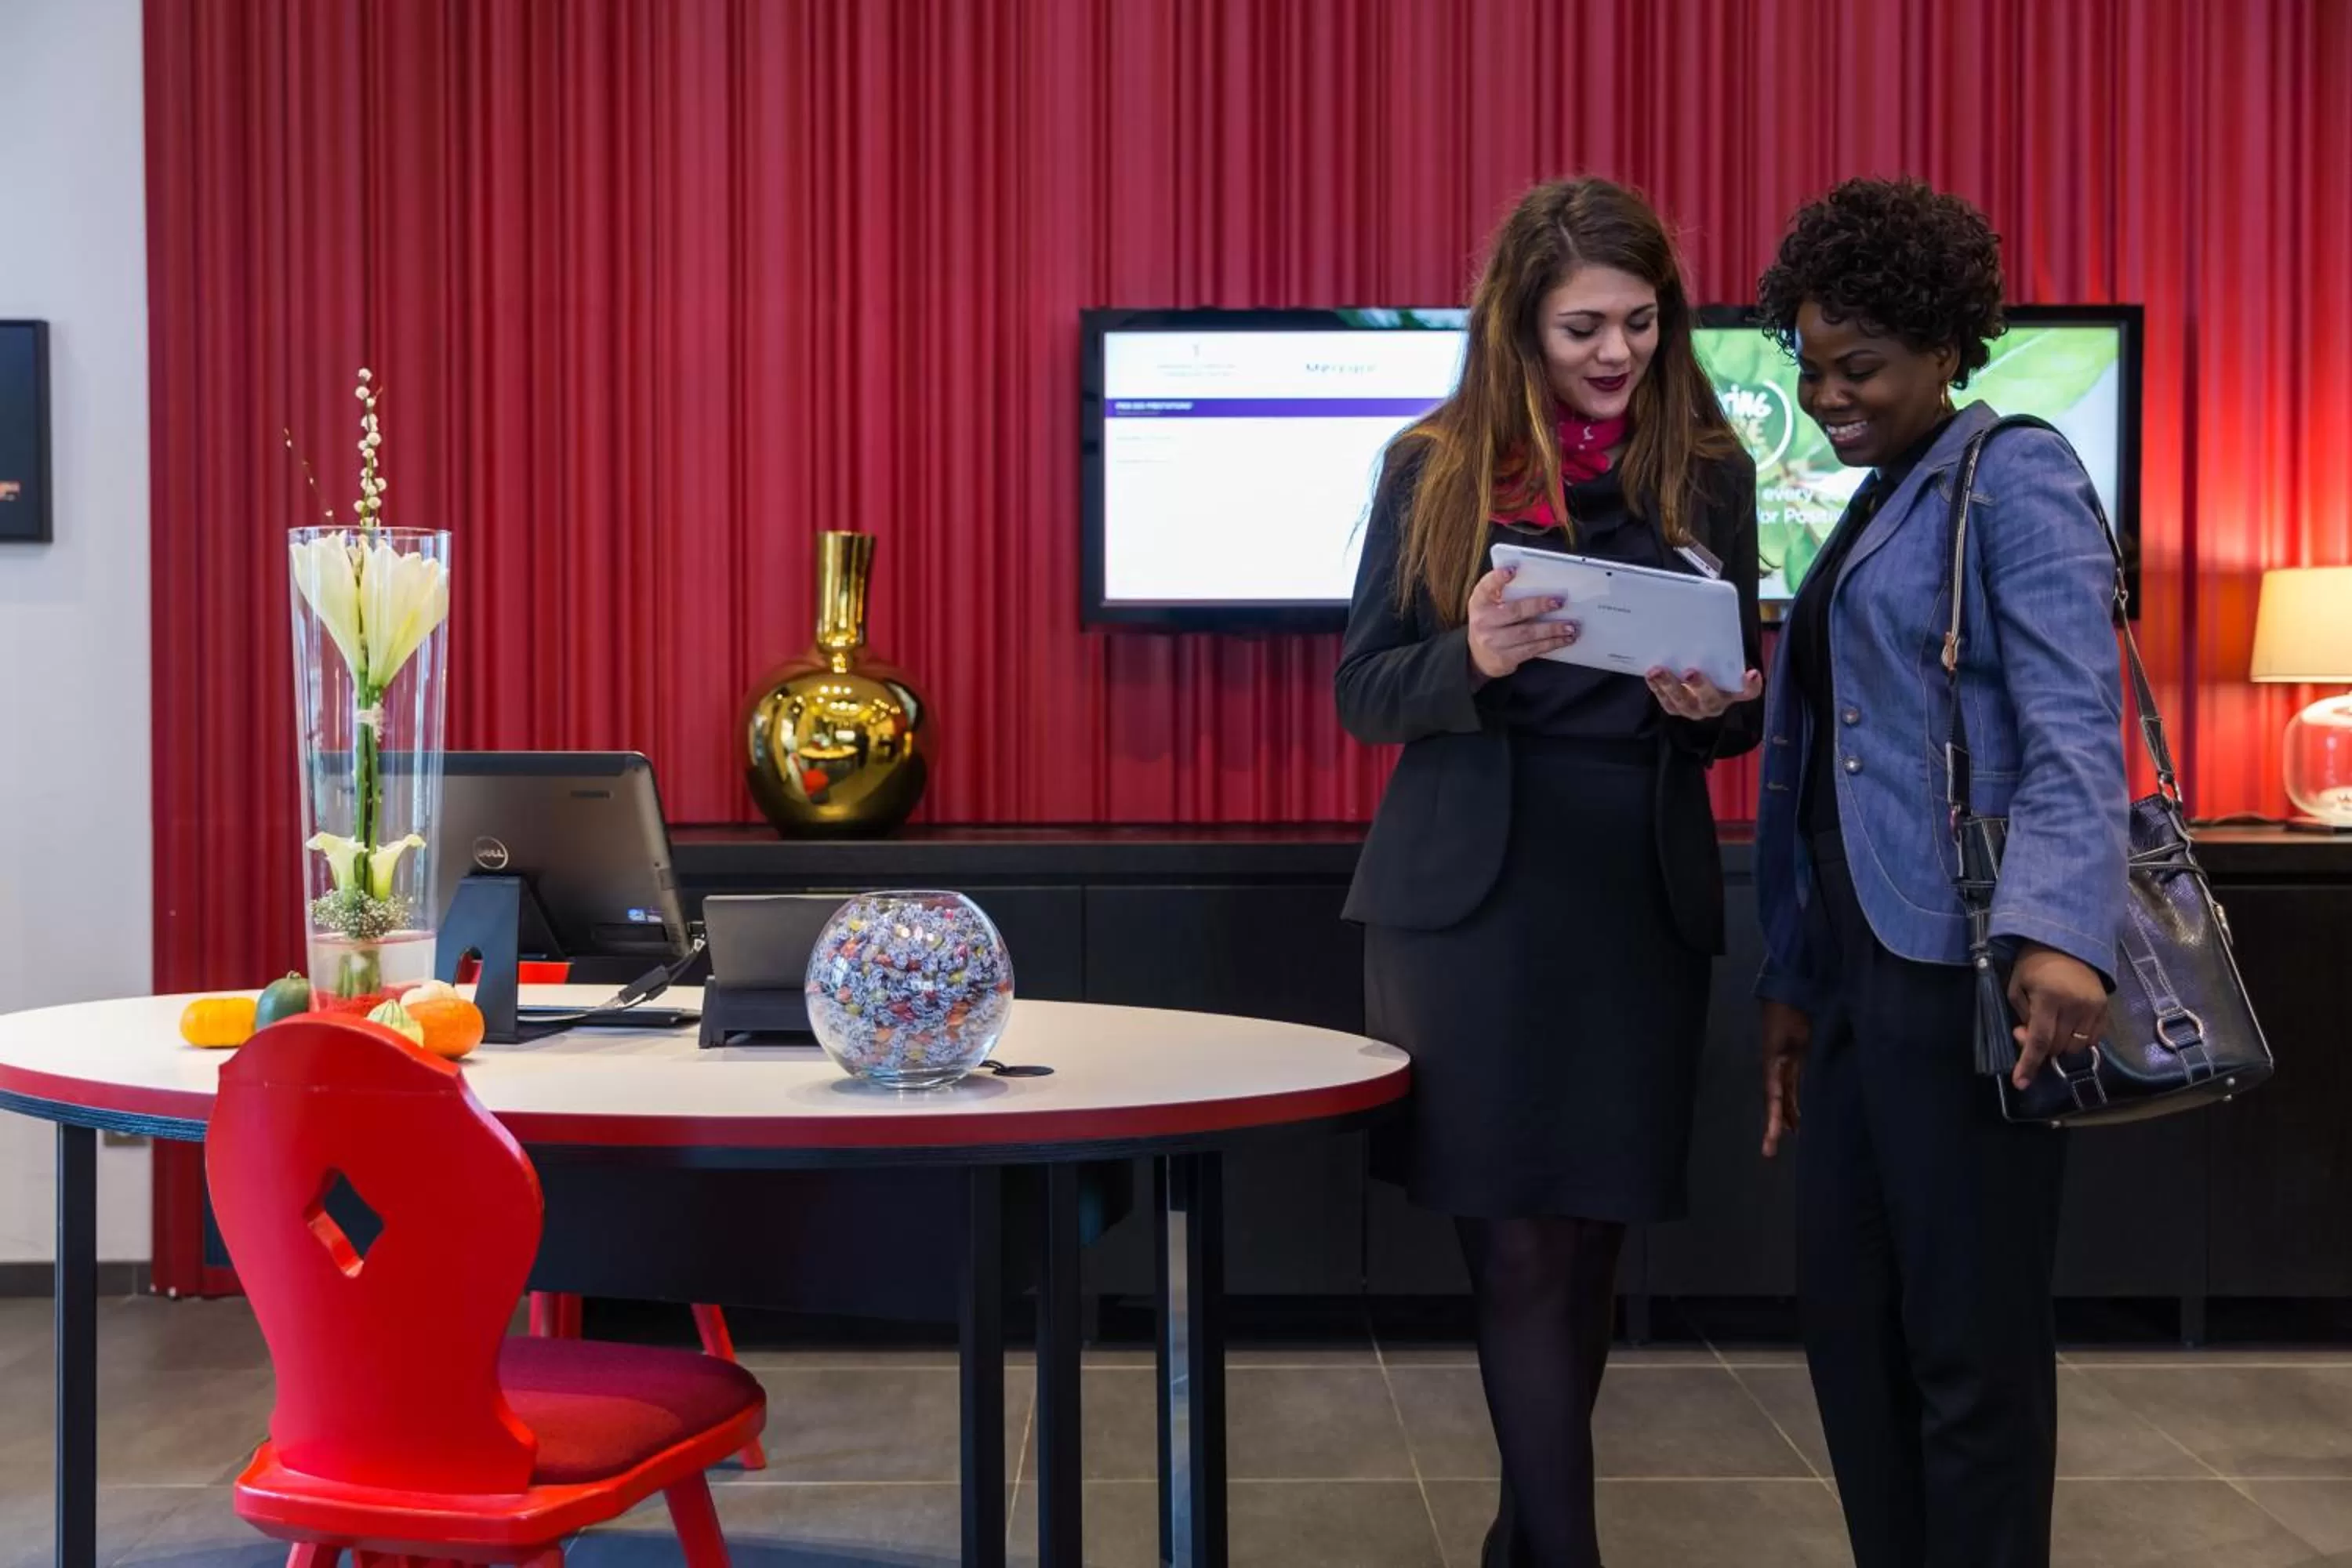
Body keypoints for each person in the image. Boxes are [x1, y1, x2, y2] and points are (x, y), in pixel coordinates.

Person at [1335, 176, 1765, 1568]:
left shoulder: (1710, 466)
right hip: (1477, 907)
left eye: (1641, 323)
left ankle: (1522, 1545)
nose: (1617, 354)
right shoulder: (1434, 467)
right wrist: (1476, 656)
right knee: (1519, 1247)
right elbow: (1368, 693)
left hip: (1635, 895)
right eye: (1586, 326)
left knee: (1588, 1248)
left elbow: (1747, 699)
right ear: (1518, 322)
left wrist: (1720, 711)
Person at [1750, 177, 2127, 1568]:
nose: (1830, 397)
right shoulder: (1879, 500)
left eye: (1862, 368)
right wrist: (1792, 983)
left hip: (1974, 977)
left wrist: (2060, 934)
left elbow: (2076, 720)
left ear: (1943, 350)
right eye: (1812, 369)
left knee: (1968, 1349)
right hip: (1859, 978)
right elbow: (1834, 770)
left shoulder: (2012, 470)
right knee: (1852, 1326)